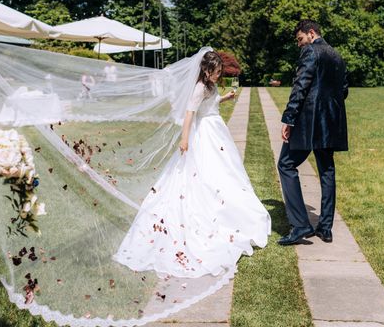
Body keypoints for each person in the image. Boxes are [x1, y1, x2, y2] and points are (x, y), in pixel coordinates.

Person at [113, 50, 271, 277]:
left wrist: (224, 98)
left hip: (216, 131)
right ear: (206, 70)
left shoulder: (209, 86)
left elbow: (211, 103)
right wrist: (185, 138)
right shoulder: (198, 87)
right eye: (216, 73)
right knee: (206, 173)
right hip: (204, 133)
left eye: (219, 73)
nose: (218, 76)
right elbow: (189, 114)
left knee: (227, 173)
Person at [277, 20, 348, 245]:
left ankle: (300, 226)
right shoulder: (337, 55)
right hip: (331, 122)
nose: (299, 44)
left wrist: (288, 119)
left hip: (309, 122)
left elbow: (300, 87)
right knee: (327, 171)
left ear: (311, 33)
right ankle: (325, 227)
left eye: (300, 39)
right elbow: (343, 90)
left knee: (286, 164)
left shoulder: (310, 51)